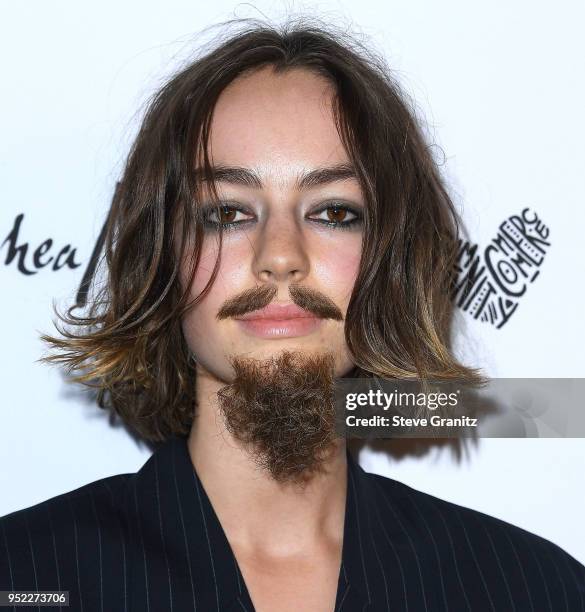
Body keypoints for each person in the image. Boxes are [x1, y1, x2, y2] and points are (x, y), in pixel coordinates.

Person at [1, 17, 584, 612]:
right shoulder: (24, 575)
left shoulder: (531, 589)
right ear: (161, 257)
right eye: (227, 213)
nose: (280, 257)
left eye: (334, 212)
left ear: (394, 258)